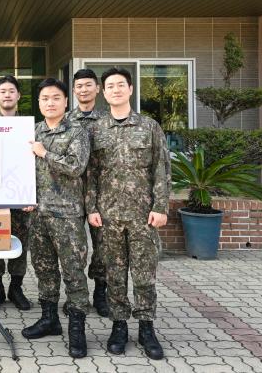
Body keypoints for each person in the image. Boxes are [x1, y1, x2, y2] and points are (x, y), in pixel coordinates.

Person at [87, 67, 170, 360]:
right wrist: (91, 208)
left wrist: (161, 207)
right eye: (110, 86)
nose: (116, 90)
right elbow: (92, 174)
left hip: (142, 216)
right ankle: (119, 326)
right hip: (108, 217)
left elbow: (161, 169)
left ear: (131, 89)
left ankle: (146, 327)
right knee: (115, 274)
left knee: (144, 274)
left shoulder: (149, 127)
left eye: (121, 85)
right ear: (104, 93)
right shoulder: (96, 129)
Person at [21, 78, 90, 359]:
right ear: (39, 103)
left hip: (68, 215)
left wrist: (45, 153)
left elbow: (76, 167)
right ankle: (50, 319)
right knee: (44, 269)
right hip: (38, 214)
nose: (49, 102)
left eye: (55, 98)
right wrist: (22, 195)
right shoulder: (33, 130)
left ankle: (77, 329)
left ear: (65, 101)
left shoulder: (77, 131)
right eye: (44, 98)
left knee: (73, 271)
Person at [0, 75, 31, 311]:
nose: (7, 95)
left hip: (20, 195)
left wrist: (31, 195)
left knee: (20, 242)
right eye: (2, 91)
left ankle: (16, 287)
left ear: (18, 95)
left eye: (11, 91)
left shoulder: (30, 127)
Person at [66, 68, 108, 318]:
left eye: (88, 85)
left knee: (102, 248)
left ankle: (101, 293)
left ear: (97, 88)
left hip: (101, 194)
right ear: (74, 91)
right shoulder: (65, 120)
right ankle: (75, 296)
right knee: (73, 250)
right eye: (79, 86)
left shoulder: (106, 120)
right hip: (69, 194)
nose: (83, 89)